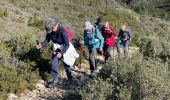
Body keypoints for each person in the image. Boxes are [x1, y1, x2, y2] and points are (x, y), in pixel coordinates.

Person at [36, 18, 78, 88]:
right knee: (54, 63)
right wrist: (41, 44)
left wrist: (61, 53)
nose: (49, 32)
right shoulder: (50, 31)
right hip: (57, 49)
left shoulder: (63, 32)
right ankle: (55, 80)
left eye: (51, 30)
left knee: (67, 65)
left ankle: (70, 80)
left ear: (55, 26)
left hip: (65, 49)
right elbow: (47, 40)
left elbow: (67, 44)